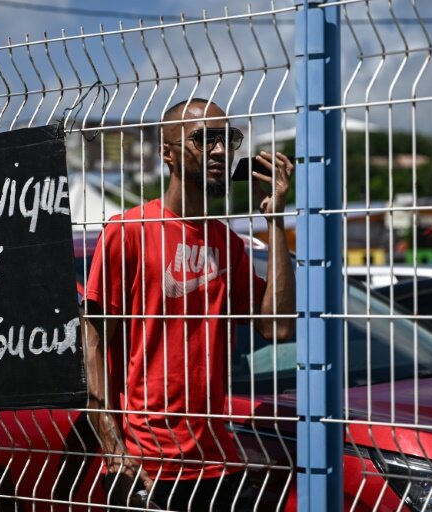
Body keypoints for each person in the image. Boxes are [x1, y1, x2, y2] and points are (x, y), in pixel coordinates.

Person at [83, 98, 296, 511]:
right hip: (147, 467)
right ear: (168, 153)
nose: (220, 150)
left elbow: (277, 327)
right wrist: (114, 447)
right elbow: (90, 343)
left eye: (227, 140)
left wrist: (274, 221)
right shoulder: (128, 231)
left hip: (220, 465)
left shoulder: (226, 242)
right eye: (204, 139)